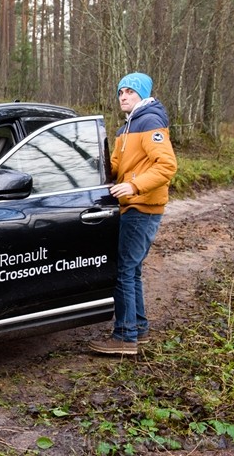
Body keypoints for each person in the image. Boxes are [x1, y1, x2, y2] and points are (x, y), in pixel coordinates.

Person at [90, 72, 177, 356]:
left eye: (129, 92)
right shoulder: (126, 127)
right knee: (132, 269)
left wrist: (133, 185)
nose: (123, 97)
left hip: (142, 207)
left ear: (142, 94)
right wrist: (93, 167)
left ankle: (125, 337)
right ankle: (138, 328)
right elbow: (116, 164)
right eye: (120, 92)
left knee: (124, 270)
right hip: (131, 206)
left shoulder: (150, 122)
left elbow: (166, 166)